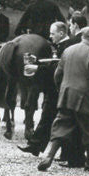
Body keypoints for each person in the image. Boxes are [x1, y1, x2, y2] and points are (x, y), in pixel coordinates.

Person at [37, 26, 89, 173]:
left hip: (66, 95)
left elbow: (57, 74)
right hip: (85, 98)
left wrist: (62, 89)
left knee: (61, 125)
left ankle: (49, 157)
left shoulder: (68, 50)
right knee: (88, 129)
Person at [18, 21, 68, 157]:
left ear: (61, 33)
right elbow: (54, 63)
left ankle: (65, 152)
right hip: (53, 89)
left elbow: (58, 67)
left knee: (58, 119)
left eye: (53, 33)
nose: (50, 36)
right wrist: (38, 61)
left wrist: (37, 68)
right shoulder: (60, 46)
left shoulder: (66, 47)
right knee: (47, 116)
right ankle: (35, 145)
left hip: (60, 89)